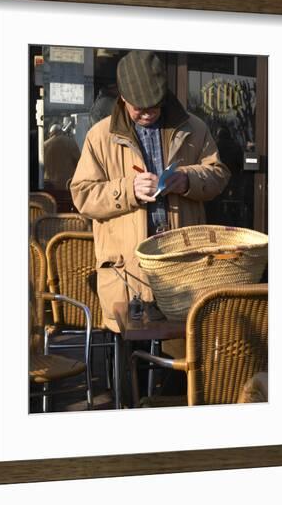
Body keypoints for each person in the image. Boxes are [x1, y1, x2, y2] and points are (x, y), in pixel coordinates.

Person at [70, 50, 230, 332]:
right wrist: (127, 189)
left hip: (183, 267)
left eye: (153, 106)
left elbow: (219, 175)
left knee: (182, 360)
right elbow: (82, 195)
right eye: (138, 107)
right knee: (128, 366)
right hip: (128, 274)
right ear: (122, 97)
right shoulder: (99, 135)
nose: (146, 113)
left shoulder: (195, 128)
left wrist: (188, 179)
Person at [43, 123, 81, 190]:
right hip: (68, 185)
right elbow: (80, 163)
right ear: (61, 131)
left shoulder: (44, 146)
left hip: (50, 187)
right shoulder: (70, 142)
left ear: (50, 133)